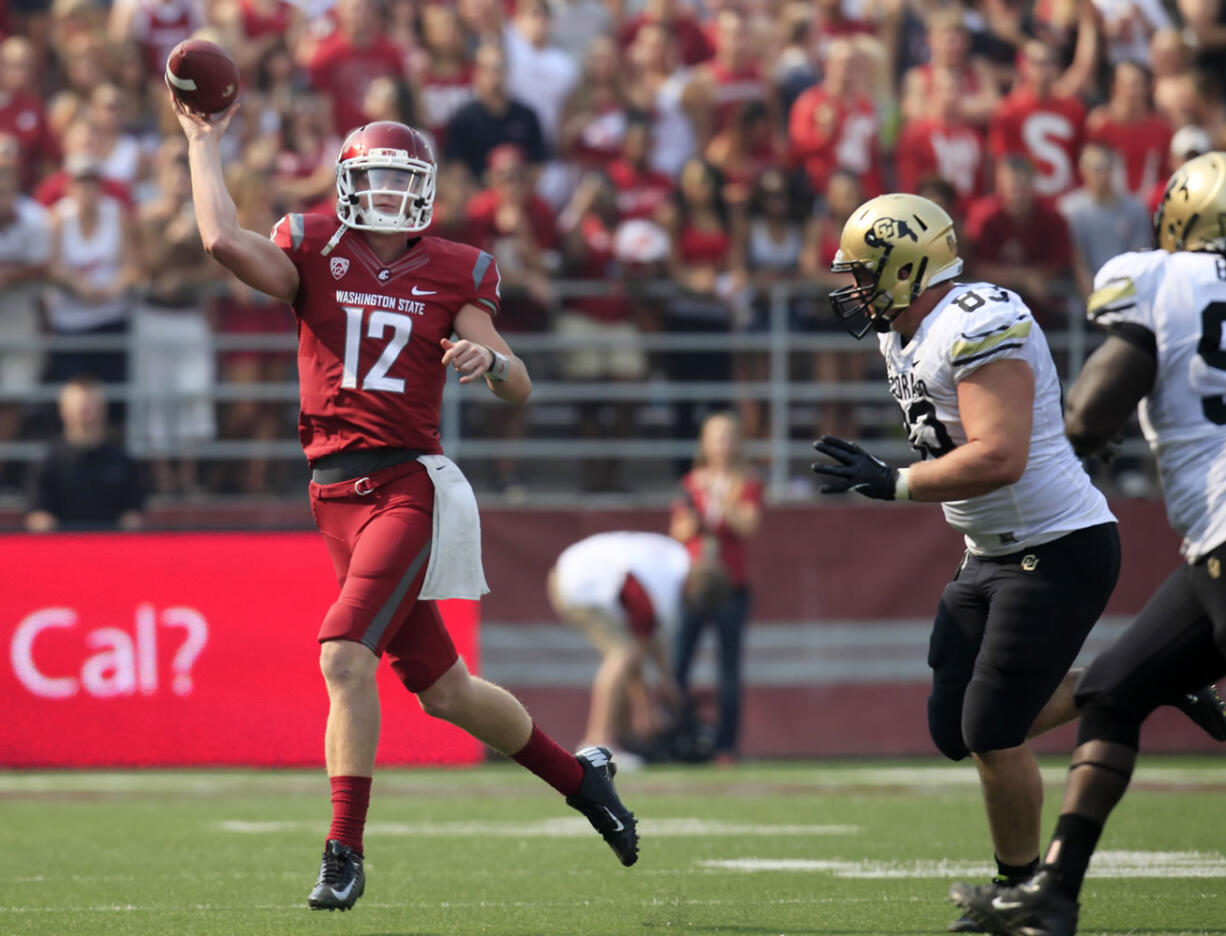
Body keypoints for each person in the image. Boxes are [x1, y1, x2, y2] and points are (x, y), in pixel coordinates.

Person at [172, 102, 638, 911]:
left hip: (404, 487)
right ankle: (583, 778)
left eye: (402, 181)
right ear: (348, 183)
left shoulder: (455, 269)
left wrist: (484, 361)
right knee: (445, 688)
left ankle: (342, 851)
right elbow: (221, 242)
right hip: (332, 498)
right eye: (375, 179)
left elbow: (518, 380)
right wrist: (201, 142)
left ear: (425, 190)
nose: (387, 195)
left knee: (343, 655)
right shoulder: (314, 246)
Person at [811, 191, 1226, 935]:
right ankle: (1164, 682)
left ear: (909, 269)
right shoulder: (902, 330)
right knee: (953, 729)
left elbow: (1000, 455)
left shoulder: (977, 320)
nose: (857, 290)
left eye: (868, 273)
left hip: (1057, 546)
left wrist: (895, 481)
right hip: (989, 552)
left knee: (991, 731)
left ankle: (1021, 890)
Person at [948, 152, 1226, 936]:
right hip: (1212, 550)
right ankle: (1054, 893)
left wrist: (1083, 434)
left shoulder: (1163, 280)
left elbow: (1096, 405)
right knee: (1113, 689)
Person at [547, 530, 711, 759]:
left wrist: (669, 687)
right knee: (623, 655)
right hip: (579, 585)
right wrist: (646, 709)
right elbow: (642, 642)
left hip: (578, 573)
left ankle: (620, 740)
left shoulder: (675, 561)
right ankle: (595, 742)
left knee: (627, 657)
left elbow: (652, 641)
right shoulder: (662, 588)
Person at [670, 411, 761, 762]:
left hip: (731, 587)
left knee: (729, 669)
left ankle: (726, 746)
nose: (722, 444)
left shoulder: (746, 482)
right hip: (694, 586)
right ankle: (676, 738)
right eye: (715, 437)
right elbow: (677, 531)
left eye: (727, 437)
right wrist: (694, 518)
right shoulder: (691, 482)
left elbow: (748, 526)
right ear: (705, 443)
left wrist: (720, 499)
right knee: (678, 665)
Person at [25, 375, 145, 532]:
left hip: (111, 547)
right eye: (78, 407)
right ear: (63, 410)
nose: (84, 413)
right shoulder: (47, 462)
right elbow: (37, 514)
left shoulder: (122, 461)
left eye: (90, 407)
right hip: (62, 548)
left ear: (103, 408)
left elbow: (133, 514)